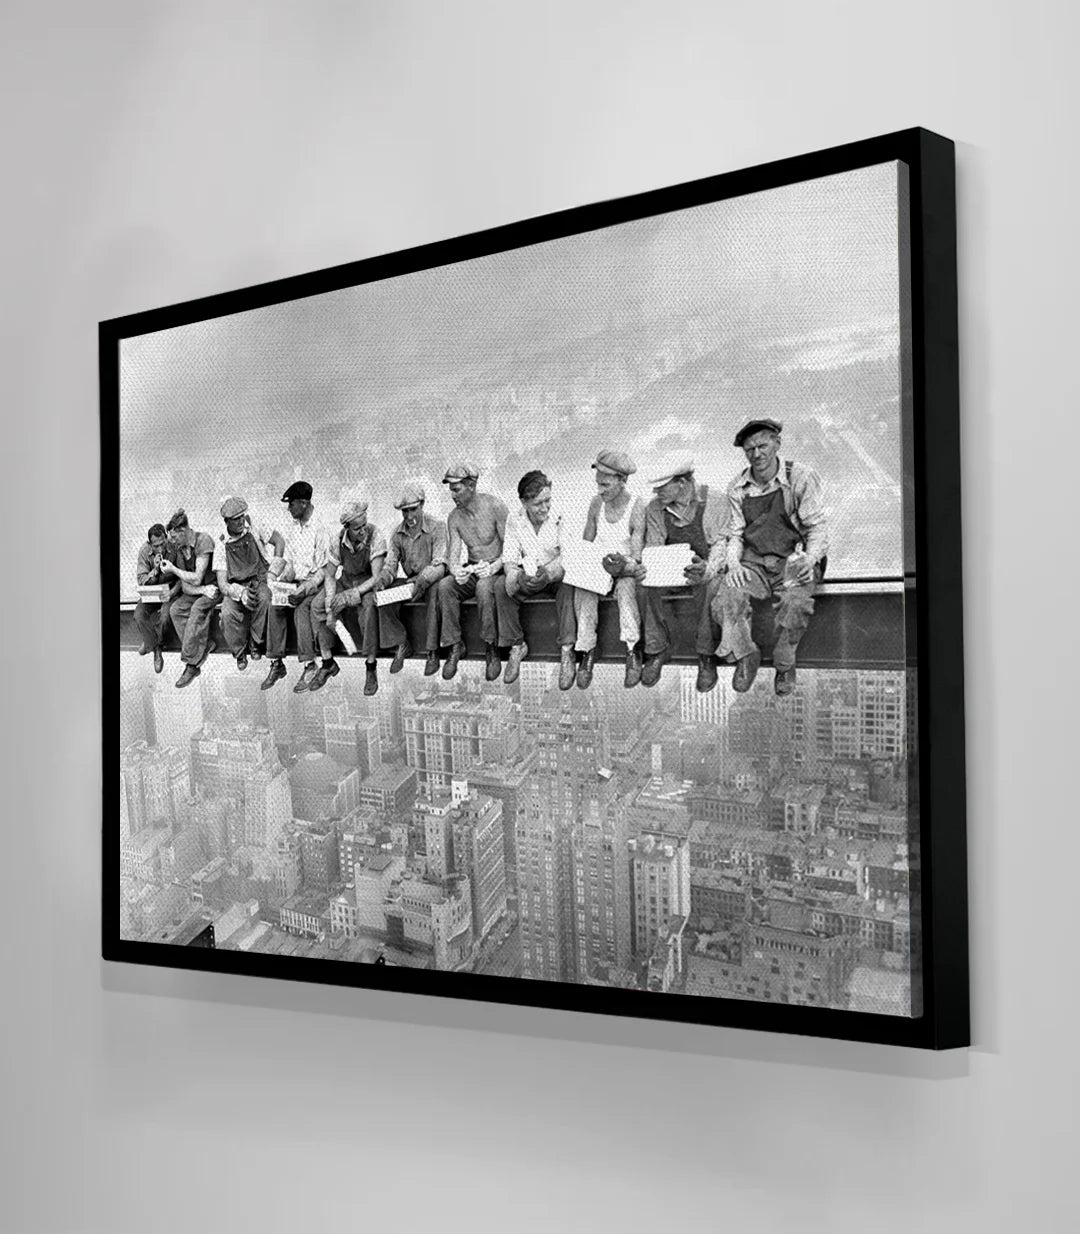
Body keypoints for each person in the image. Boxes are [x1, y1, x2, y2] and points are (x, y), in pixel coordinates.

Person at [712, 419, 829, 696]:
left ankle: (785, 662)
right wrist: (734, 565)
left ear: (777, 443)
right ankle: (746, 654)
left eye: (763, 446)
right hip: (756, 563)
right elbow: (736, 535)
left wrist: (810, 560)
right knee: (727, 595)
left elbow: (816, 527)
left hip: (794, 560)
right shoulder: (738, 488)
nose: (757, 454)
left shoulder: (800, 477)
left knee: (795, 602)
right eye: (749, 449)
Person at [637, 455, 727, 690]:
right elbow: (654, 546)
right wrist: (651, 567)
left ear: (683, 483)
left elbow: (720, 545)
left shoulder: (713, 500)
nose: (658, 492)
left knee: (710, 587)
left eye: (663, 486)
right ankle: (656, 650)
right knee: (646, 585)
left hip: (704, 569)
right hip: (672, 570)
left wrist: (707, 569)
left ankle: (706, 656)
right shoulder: (655, 508)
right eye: (656, 488)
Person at [436, 462, 515, 682]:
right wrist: (456, 570)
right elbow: (453, 555)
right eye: (451, 489)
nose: (452, 495)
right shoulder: (455, 518)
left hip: (496, 569)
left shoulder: (495, 507)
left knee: (483, 588)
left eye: (456, 489)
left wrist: (493, 567)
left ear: (471, 486)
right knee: (445, 586)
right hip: (474, 567)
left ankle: (491, 647)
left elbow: (511, 548)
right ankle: (454, 645)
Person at [574, 449, 647, 689]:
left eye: (605, 485)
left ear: (622, 480)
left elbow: (636, 556)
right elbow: (587, 543)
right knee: (584, 590)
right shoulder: (596, 504)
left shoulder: (636, 506)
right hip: (599, 567)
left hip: (623, 568)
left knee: (626, 590)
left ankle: (631, 649)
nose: (600, 490)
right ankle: (586, 650)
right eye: (598, 484)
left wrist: (625, 565)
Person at [501, 470, 576, 688]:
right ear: (524, 503)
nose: (544, 508)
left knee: (568, 586)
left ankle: (567, 651)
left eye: (547, 501)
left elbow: (568, 554)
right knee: (501, 588)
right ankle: (516, 645)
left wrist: (549, 573)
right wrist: (517, 576)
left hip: (554, 575)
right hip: (530, 576)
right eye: (538, 504)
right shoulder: (514, 520)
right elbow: (509, 558)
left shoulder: (561, 515)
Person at [310, 497, 387, 696]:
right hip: (346, 580)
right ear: (347, 528)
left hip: (366, 583)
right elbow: (329, 574)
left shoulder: (376, 535)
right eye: (356, 528)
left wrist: (352, 594)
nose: (362, 531)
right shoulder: (337, 540)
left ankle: (370, 666)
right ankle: (327, 662)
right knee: (317, 606)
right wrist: (330, 602)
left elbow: (377, 576)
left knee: (369, 607)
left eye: (363, 526)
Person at [373, 482, 448, 679]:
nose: (409, 516)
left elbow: (440, 564)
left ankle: (432, 651)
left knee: (434, 594)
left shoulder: (437, 527)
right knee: (383, 597)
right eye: (405, 512)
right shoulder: (397, 534)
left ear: (422, 505)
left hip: (431, 579)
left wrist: (423, 580)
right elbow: (391, 565)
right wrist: (382, 580)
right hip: (410, 582)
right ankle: (401, 643)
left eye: (413, 510)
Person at [262, 481, 331, 693]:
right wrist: (279, 580)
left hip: (315, 585)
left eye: (291, 504)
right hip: (296, 583)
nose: (289, 508)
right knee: (275, 606)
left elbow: (324, 570)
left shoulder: (321, 528)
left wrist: (305, 588)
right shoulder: (294, 529)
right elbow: (291, 565)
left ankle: (309, 665)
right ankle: (276, 663)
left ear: (303, 503)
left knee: (302, 609)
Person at [214, 497, 285, 672]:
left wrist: (272, 572)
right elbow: (223, 584)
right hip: (236, 586)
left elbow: (280, 542)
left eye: (242, 516)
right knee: (227, 613)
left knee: (265, 599)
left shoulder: (254, 527)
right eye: (235, 519)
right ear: (226, 521)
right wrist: (240, 593)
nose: (240, 521)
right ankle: (239, 652)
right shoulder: (222, 544)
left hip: (259, 579)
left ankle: (255, 642)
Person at [161, 509, 218, 688]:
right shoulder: (180, 549)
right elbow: (186, 585)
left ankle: (191, 664)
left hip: (214, 588)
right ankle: (205, 644)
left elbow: (197, 577)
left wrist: (174, 570)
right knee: (176, 609)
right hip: (201, 590)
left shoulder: (203, 541)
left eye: (175, 537)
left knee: (197, 609)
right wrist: (200, 590)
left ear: (183, 531)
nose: (173, 541)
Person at [133, 522, 179, 675]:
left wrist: (172, 592)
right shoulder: (144, 551)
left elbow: (182, 576)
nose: (160, 549)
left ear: (166, 538)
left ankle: (152, 644)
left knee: (166, 616)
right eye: (156, 546)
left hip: (170, 591)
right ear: (150, 544)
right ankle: (154, 646)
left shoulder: (175, 547)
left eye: (162, 544)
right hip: (152, 591)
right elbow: (141, 579)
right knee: (139, 615)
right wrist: (155, 571)